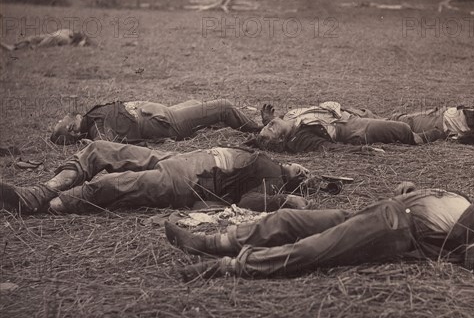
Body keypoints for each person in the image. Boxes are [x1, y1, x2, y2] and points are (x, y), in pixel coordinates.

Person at [168, 182, 474, 279]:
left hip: (391, 229)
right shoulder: (472, 204)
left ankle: (227, 266)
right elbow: (432, 203)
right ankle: (208, 242)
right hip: (380, 210)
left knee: (314, 249)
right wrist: (413, 189)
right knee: (288, 220)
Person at [0, 141, 313, 215]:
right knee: (99, 149)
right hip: (176, 160)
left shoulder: (274, 181)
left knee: (109, 185)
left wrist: (286, 197)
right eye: (304, 169)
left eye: (304, 177)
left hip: (185, 182)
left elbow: (248, 202)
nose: (302, 172)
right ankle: (42, 190)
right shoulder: (267, 157)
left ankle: (40, 205)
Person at [250, 102, 444, 153]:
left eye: (267, 125)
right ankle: (434, 134)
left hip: (352, 113)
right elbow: (329, 148)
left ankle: (440, 117)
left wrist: (271, 120)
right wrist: (360, 150)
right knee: (401, 128)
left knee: (398, 118)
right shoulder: (301, 138)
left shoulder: (287, 118)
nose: (269, 126)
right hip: (355, 127)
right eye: (271, 128)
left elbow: (267, 128)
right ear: (283, 139)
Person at [50, 99, 262, 145]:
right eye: (60, 121)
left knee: (198, 104)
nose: (62, 116)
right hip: (167, 122)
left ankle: (237, 120)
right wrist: (91, 145)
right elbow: (106, 147)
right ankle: (261, 131)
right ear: (72, 129)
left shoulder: (92, 119)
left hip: (163, 113)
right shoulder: (97, 129)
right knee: (223, 107)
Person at [0, 28, 90, 51]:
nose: (79, 31)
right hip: (52, 35)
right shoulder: (68, 31)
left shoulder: (77, 38)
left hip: (60, 38)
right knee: (33, 38)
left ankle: (35, 48)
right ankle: (14, 46)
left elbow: (82, 43)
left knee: (51, 38)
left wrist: (83, 39)